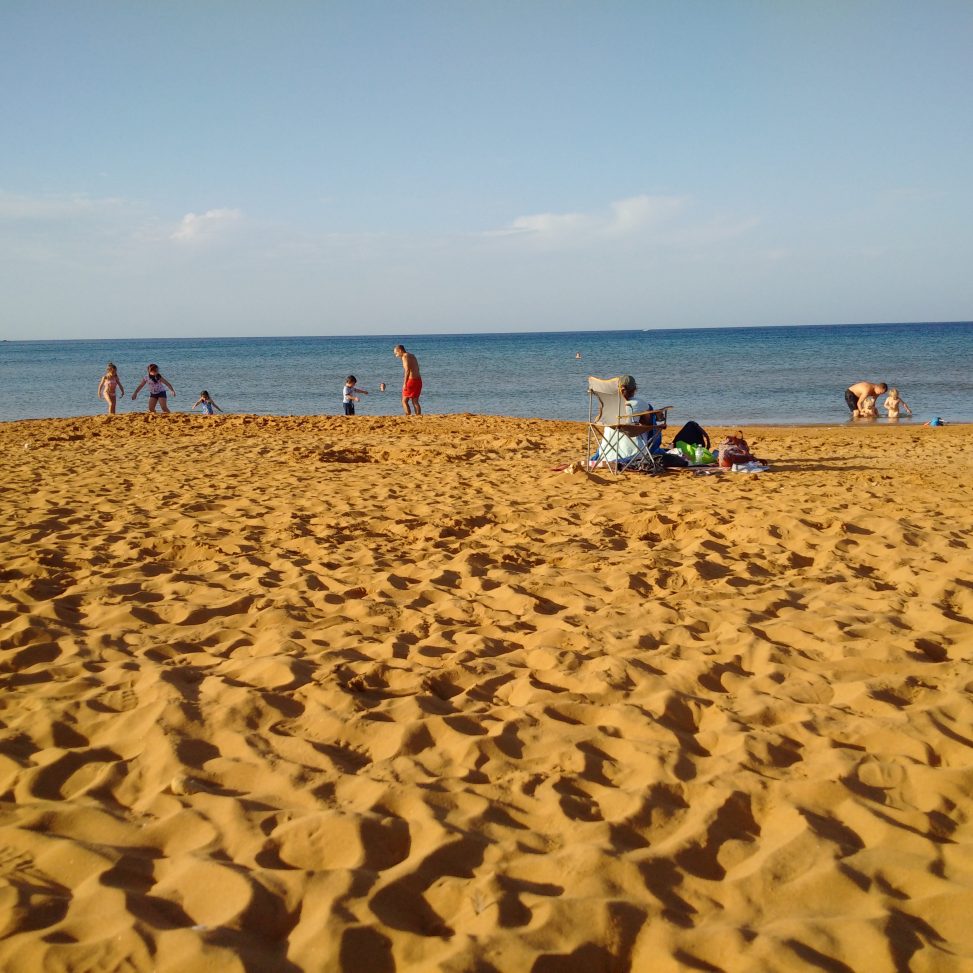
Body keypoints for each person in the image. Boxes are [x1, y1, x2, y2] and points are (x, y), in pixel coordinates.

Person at [592, 376, 664, 469]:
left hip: (606, 453)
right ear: (634, 389)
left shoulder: (608, 403)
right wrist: (654, 416)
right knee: (653, 423)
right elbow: (649, 425)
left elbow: (599, 418)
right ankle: (652, 451)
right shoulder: (639, 403)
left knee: (633, 419)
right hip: (634, 453)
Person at [393, 345, 422, 415]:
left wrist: (405, 383)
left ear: (400, 350)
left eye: (396, 353)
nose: (396, 355)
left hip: (411, 381)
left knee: (404, 401)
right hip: (418, 380)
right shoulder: (412, 355)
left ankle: (408, 415)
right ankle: (418, 416)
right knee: (415, 401)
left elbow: (407, 370)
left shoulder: (404, 357)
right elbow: (417, 368)